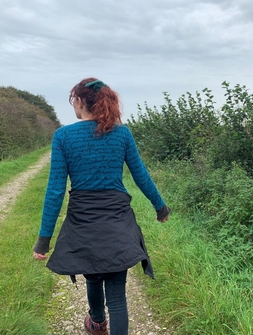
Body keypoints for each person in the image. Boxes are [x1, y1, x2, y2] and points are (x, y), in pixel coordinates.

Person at [33, 77, 171, 335]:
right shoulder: (122, 133)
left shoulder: (63, 136)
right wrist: (160, 207)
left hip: (83, 219)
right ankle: (99, 322)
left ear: (80, 100)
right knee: (117, 297)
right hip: (117, 217)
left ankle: (97, 324)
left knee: (93, 274)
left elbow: (55, 190)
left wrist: (44, 239)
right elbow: (141, 175)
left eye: (73, 99)